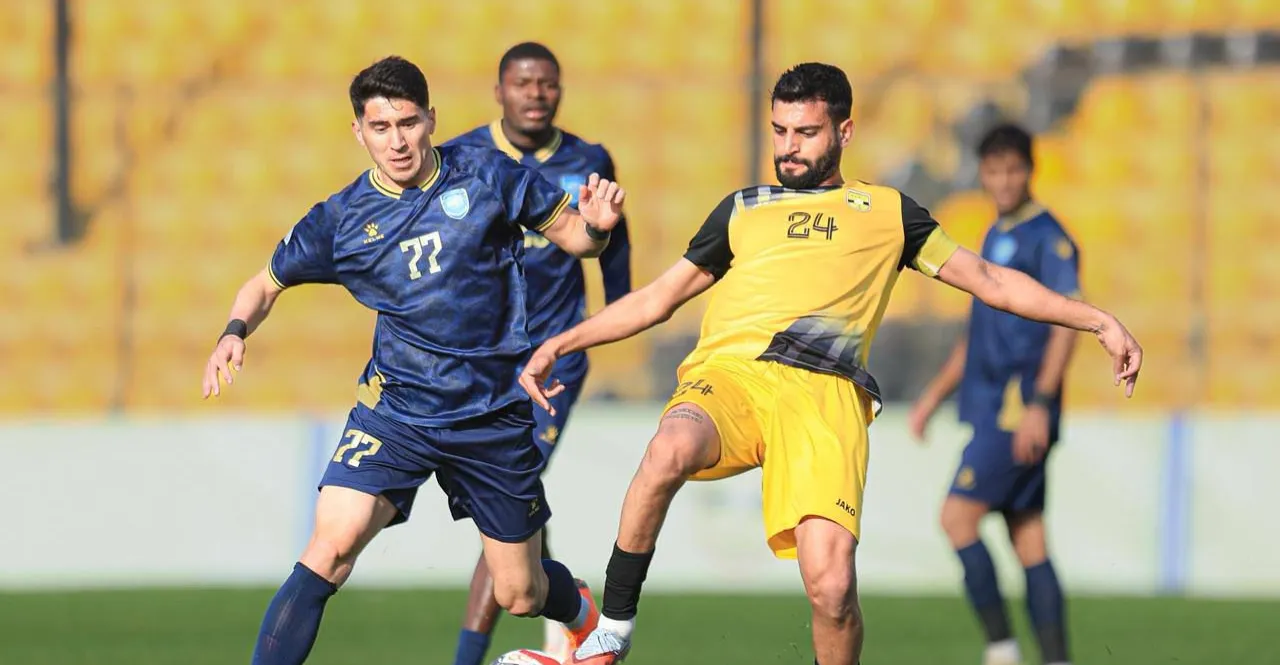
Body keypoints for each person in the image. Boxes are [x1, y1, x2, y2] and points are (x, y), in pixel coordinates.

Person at [517, 63, 1143, 665]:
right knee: (667, 449)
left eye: (806, 132)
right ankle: (611, 631)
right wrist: (560, 344)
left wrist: (1097, 320)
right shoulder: (743, 208)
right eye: (780, 131)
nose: (789, 147)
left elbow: (991, 281)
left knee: (833, 590)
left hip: (826, 397)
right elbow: (657, 299)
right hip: (732, 377)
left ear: (844, 132)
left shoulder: (889, 212)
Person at [198, 55, 626, 665]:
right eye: (381, 127)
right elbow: (264, 284)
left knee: (521, 593)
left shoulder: (487, 175)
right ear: (359, 132)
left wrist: (599, 229)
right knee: (330, 547)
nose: (396, 141)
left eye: (407, 123)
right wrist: (234, 331)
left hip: (490, 413)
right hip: (396, 413)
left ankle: (579, 611)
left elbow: (576, 237)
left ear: (431, 119)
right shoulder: (342, 220)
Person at [444, 42, 632, 665]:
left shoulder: (588, 161)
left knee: (504, 500)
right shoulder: (463, 157)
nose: (535, 94)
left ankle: (472, 656)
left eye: (546, 83)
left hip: (552, 358)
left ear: (560, 91)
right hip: (481, 361)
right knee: (506, 504)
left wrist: (618, 312)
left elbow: (615, 243)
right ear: (499, 91)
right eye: (522, 83)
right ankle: (568, 603)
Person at [908, 123, 1080, 665]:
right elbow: (976, 333)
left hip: (1016, 409)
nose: (1003, 181)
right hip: (990, 407)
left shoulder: (1049, 238)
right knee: (1028, 536)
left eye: (1013, 170)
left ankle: (1002, 648)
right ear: (982, 174)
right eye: (993, 171)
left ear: (1030, 171)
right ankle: (1055, 658)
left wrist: (1040, 404)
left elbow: (1066, 326)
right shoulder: (993, 234)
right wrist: (934, 396)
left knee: (956, 519)